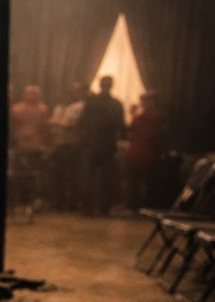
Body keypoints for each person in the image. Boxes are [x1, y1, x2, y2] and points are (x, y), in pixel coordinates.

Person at [79, 75, 125, 216]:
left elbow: (82, 122)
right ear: (111, 85)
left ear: (100, 85)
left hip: (91, 144)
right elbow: (120, 126)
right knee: (107, 178)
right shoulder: (117, 104)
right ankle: (105, 207)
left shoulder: (91, 101)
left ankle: (87, 206)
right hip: (108, 145)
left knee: (88, 177)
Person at [10, 85, 51, 212]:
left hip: (36, 147)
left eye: (34, 93)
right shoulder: (16, 109)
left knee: (34, 175)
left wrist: (45, 144)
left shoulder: (43, 109)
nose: (31, 95)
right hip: (20, 145)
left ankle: (33, 200)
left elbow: (45, 129)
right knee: (19, 174)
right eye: (29, 93)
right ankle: (20, 201)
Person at [49, 82, 88, 211]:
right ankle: (58, 203)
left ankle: (72, 203)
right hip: (59, 144)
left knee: (72, 175)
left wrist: (58, 122)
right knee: (58, 175)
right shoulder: (59, 108)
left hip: (72, 145)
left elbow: (73, 124)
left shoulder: (80, 106)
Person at [124, 92, 165, 212]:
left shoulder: (146, 118)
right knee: (139, 180)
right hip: (143, 151)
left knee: (139, 180)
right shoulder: (151, 118)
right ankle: (140, 204)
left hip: (142, 151)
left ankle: (136, 204)